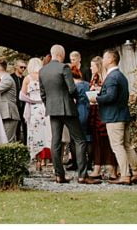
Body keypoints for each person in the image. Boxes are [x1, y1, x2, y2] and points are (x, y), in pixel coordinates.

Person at [39, 44, 96, 184]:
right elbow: (72, 89)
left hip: (53, 109)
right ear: (61, 54)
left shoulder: (43, 71)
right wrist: (76, 98)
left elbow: (43, 94)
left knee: (56, 141)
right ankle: (82, 175)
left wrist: (50, 106)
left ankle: (59, 175)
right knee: (79, 140)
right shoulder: (64, 68)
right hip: (67, 108)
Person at [90, 49, 137, 185]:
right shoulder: (121, 76)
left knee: (117, 146)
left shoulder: (112, 77)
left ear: (111, 59)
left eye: (105, 57)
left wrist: (97, 98)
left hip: (114, 116)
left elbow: (111, 96)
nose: (103, 60)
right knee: (127, 145)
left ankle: (125, 175)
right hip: (123, 114)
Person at [86, 56, 118, 180]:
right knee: (96, 140)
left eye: (92, 66)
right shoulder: (93, 78)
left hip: (103, 111)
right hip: (94, 110)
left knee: (107, 139)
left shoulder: (106, 78)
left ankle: (112, 168)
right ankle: (97, 167)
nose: (90, 68)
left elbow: (108, 94)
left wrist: (97, 91)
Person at [20, 57, 51, 170]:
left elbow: (21, 95)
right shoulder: (44, 77)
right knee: (46, 134)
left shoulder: (27, 78)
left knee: (35, 134)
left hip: (34, 108)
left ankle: (37, 160)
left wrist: (32, 100)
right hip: (44, 107)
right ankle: (44, 160)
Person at [69, 65, 91, 173]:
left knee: (76, 138)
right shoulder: (87, 84)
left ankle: (77, 162)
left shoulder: (74, 87)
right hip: (88, 109)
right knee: (88, 137)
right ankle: (90, 162)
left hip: (79, 109)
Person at [0, 58, 20, 145]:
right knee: (5, 141)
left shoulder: (7, 79)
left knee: (8, 141)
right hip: (4, 114)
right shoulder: (3, 79)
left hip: (9, 114)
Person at [12, 59, 28, 145]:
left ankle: (26, 144)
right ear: (16, 67)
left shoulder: (25, 78)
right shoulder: (11, 78)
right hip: (15, 104)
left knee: (25, 126)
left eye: (24, 68)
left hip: (24, 105)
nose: (23, 69)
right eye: (21, 67)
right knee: (16, 126)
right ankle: (17, 144)